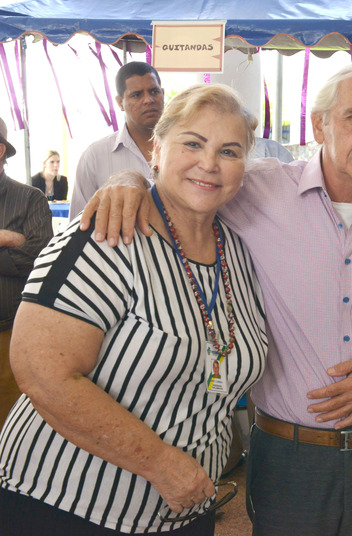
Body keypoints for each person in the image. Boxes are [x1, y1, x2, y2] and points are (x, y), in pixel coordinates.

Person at [79, 64, 352, 536]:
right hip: (289, 454)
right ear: (319, 125)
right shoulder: (256, 188)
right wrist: (128, 179)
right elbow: (187, 182)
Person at [0, 84, 268, 535]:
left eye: (229, 151)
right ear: (156, 151)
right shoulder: (105, 235)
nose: (209, 163)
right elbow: (41, 371)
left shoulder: (240, 250)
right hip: (67, 503)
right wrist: (161, 464)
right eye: (192, 143)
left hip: (183, 509)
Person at [0, 117, 53, 422]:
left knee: (11, 421)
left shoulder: (30, 199)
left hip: (11, 334)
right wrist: (8, 239)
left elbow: (38, 258)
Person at [69, 61, 164, 219]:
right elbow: (79, 221)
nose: (148, 100)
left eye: (154, 91)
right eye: (137, 95)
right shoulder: (95, 156)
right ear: (120, 103)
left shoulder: (186, 149)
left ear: (163, 94)